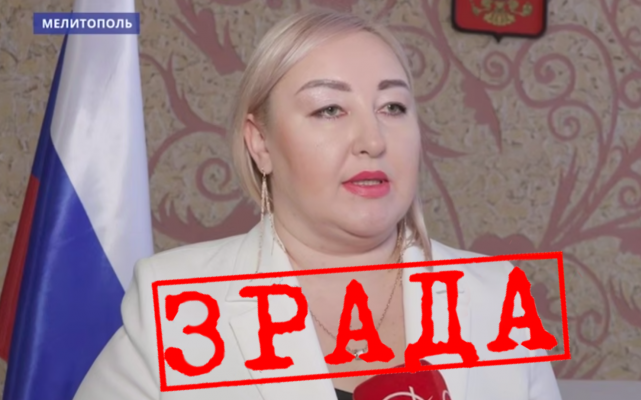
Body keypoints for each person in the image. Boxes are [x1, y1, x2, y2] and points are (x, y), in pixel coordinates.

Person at [74, 8, 562, 400]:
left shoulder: (498, 295)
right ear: (260, 143)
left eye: (393, 107)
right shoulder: (171, 305)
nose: (373, 140)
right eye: (329, 109)